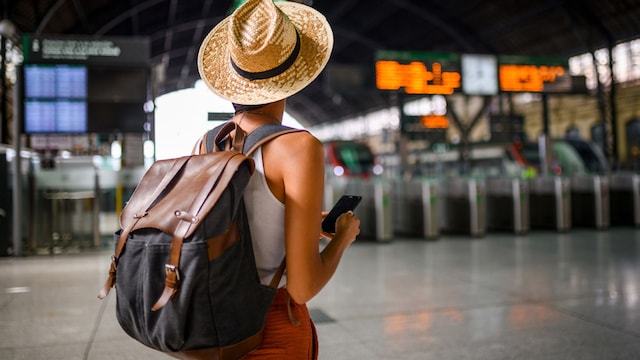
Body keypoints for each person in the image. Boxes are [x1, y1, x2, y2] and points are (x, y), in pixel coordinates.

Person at [196, 0, 361, 358]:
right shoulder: (299, 147)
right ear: (292, 79)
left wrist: (306, 226)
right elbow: (302, 288)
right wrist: (342, 239)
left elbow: (233, 228)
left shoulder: (207, 142)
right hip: (268, 331)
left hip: (208, 326)